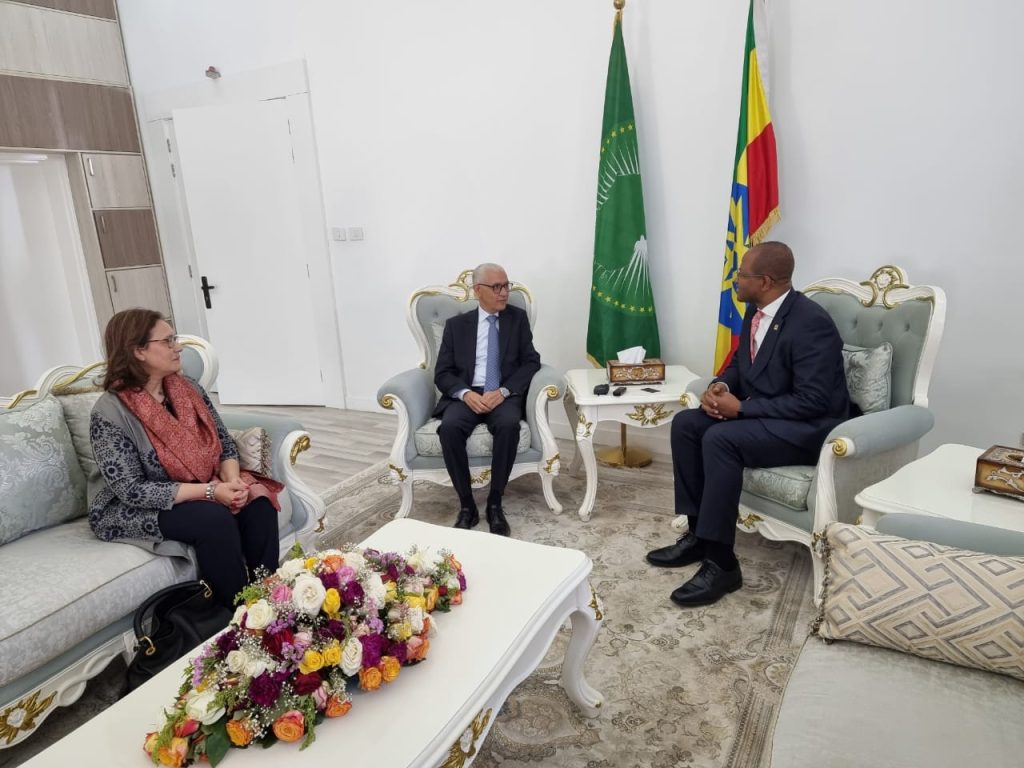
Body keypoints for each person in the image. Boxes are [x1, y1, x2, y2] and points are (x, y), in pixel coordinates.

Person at [647, 242, 850, 606]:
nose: (735, 280)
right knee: (687, 424)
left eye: (741, 274)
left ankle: (722, 564)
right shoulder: (755, 311)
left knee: (721, 439)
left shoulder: (811, 323)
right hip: (770, 416)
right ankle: (698, 535)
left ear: (765, 281)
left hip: (810, 429)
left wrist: (740, 409)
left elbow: (814, 401)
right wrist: (721, 387)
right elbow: (742, 365)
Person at [89, 309, 283, 607]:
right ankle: (236, 613)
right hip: (132, 505)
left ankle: (269, 603)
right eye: (167, 341)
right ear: (138, 350)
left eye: (175, 339)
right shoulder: (109, 412)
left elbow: (224, 444)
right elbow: (132, 490)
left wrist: (233, 484)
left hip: (202, 483)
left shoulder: (188, 388)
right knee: (213, 520)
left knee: (258, 502)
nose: (178, 347)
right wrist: (211, 492)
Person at [433, 263, 541, 536]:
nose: (504, 292)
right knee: (449, 428)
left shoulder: (517, 319)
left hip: (502, 394)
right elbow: (442, 373)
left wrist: (504, 391)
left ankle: (495, 503)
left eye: (506, 285)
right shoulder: (456, 326)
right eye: (496, 287)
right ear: (478, 290)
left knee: (508, 426)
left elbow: (531, 362)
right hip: (468, 394)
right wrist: (465, 394)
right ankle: (467, 505)